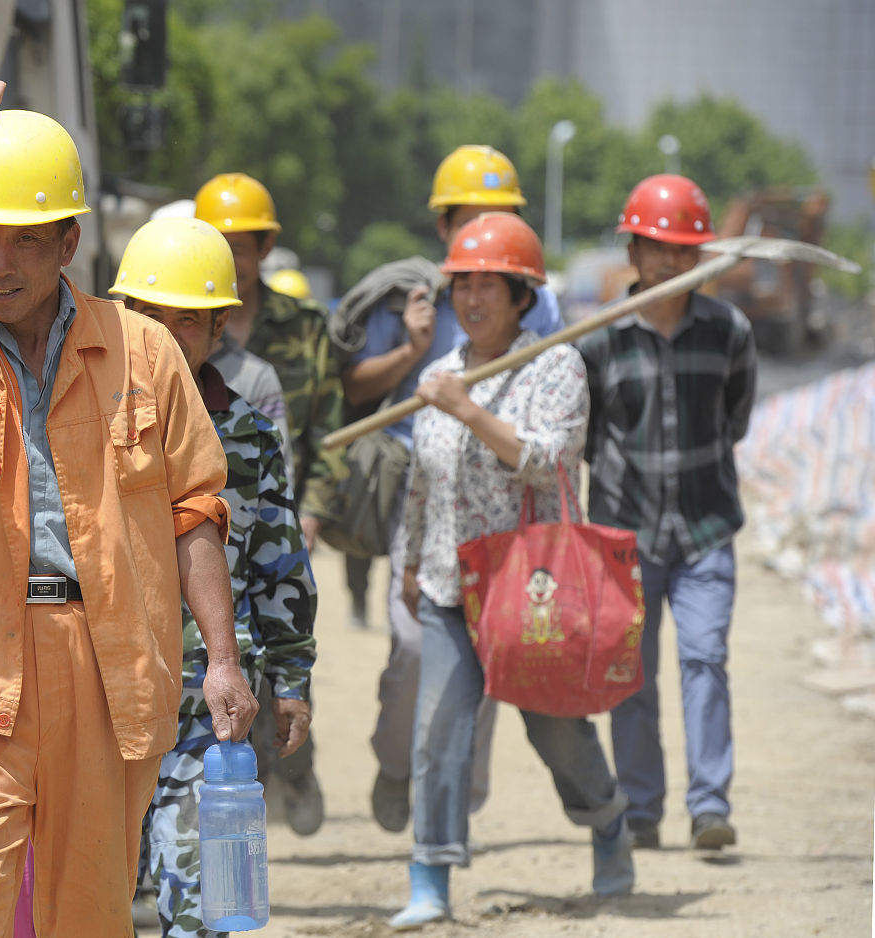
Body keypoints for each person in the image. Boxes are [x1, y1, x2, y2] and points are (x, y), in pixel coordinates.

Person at [0, 33, 258, 936]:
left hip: (110, 663)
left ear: (68, 242)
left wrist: (224, 658)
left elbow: (196, 509)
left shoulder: (144, 352)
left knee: (90, 913)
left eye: (25, 241)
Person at [391, 212, 632, 928]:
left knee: (555, 732)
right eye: (463, 283)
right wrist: (410, 557)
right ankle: (430, 874)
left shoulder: (556, 363)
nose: (473, 298)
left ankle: (609, 822)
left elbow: (548, 459)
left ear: (523, 294)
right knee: (438, 728)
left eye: (490, 284)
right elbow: (423, 482)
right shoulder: (437, 377)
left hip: (533, 590)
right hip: (445, 584)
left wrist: (468, 410)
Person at [336, 145, 565, 834]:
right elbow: (354, 389)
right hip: (423, 489)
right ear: (443, 228)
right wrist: (410, 351)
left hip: (502, 502)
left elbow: (546, 411)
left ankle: (453, 806)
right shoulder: (411, 293)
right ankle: (396, 762)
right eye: (472, 219)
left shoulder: (541, 305)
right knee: (412, 645)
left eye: (502, 218)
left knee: (486, 656)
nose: (488, 234)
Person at [112, 216, 317, 937]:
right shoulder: (79, 424)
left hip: (207, 707)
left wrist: (291, 680)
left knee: (199, 899)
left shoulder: (250, 439)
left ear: (221, 327)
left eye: (188, 322)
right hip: (96, 698)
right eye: (151, 318)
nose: (168, 340)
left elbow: (278, 563)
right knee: (91, 899)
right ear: (124, 318)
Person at [576, 174, 757, 851]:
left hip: (707, 529)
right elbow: (585, 437)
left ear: (701, 256)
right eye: (657, 248)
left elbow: (735, 414)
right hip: (624, 535)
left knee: (705, 659)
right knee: (633, 676)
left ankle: (710, 806)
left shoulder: (730, 331)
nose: (671, 263)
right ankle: (643, 809)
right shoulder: (598, 339)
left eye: (684, 250)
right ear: (633, 251)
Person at [195, 173, 343, 836]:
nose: (231, 256)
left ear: (264, 248)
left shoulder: (303, 329)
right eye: (218, 243)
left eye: (242, 244)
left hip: (270, 514)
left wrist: (304, 510)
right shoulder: (165, 329)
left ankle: (294, 765)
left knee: (269, 649)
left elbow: (326, 434)